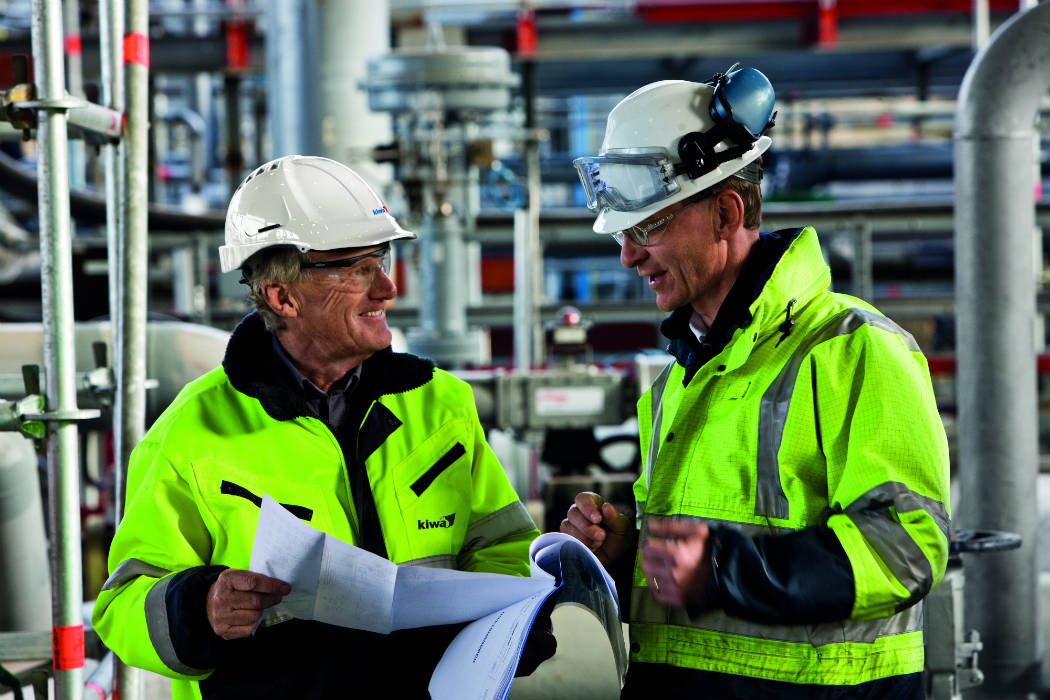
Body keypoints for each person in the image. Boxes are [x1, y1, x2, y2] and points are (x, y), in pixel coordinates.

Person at [91, 155, 550, 699]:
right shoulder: (192, 433)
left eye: (381, 260)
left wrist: (518, 618)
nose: (386, 288)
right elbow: (121, 606)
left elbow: (502, 548)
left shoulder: (442, 405)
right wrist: (201, 605)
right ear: (282, 296)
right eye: (357, 269)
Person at [561, 66, 950, 699]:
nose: (628, 256)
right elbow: (691, 570)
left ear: (726, 212)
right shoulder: (675, 385)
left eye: (647, 227)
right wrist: (628, 552)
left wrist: (722, 567)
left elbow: (907, 546)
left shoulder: (855, 350)